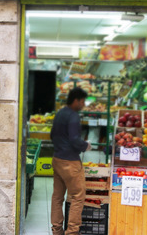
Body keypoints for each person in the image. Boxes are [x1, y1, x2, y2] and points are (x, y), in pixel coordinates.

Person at [50, 87, 92, 235]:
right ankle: (72, 232)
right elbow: (75, 139)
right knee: (78, 196)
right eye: (82, 102)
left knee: (57, 197)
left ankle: (56, 231)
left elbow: (52, 134)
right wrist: (85, 146)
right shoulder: (73, 116)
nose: (83, 105)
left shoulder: (60, 113)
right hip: (70, 162)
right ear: (76, 100)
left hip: (57, 158)